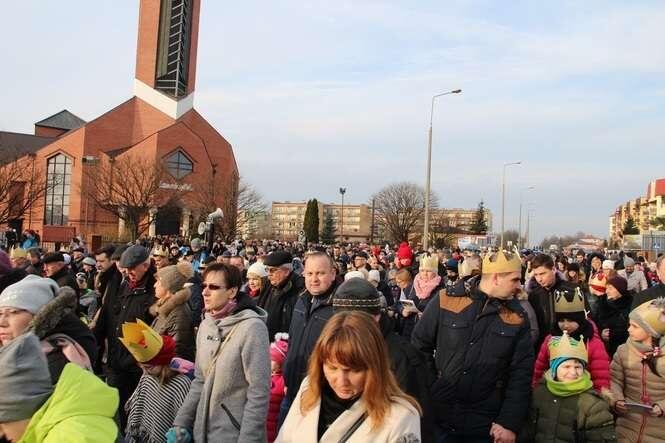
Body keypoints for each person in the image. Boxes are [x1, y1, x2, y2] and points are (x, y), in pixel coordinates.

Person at [412, 249, 534, 442]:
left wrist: (509, 422)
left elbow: (521, 373)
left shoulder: (517, 317)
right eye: (515, 280)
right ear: (496, 278)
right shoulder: (446, 299)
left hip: (485, 424)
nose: (519, 286)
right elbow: (419, 346)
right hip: (439, 417)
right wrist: (433, 386)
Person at [277, 311, 422, 442]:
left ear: (374, 367)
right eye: (332, 368)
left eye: (354, 370)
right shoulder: (309, 388)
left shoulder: (400, 416)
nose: (342, 381)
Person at [170, 263, 270, 443]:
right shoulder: (205, 325)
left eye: (214, 287)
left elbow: (258, 393)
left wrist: (248, 440)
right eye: (204, 286)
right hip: (202, 432)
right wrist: (181, 422)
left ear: (232, 291)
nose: (205, 292)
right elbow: (200, 380)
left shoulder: (252, 328)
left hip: (233, 435)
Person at [332, 277, 435, 442]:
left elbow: (415, 420)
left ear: (376, 317)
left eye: (356, 320)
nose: (346, 326)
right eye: (341, 319)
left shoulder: (401, 357)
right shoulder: (336, 347)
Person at [0, 332, 119, 443]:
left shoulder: (69, 436)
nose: (1, 433)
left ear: (23, 410)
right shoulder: (55, 424)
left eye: (2, 423)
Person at [93, 245, 156, 430]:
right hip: (115, 360)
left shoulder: (154, 289)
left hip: (136, 366)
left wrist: (136, 359)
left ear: (145, 265)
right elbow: (108, 315)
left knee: (133, 415)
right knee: (115, 411)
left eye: (132, 269)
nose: (128, 273)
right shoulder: (120, 284)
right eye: (125, 269)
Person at [0, 275, 97, 383]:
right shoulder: (19, 351)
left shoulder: (51, 366)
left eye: (14, 312)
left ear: (39, 316)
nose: (2, 323)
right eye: (0, 313)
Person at [281, 252, 339, 424]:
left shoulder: (338, 309)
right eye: (310, 273)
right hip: (291, 390)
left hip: (318, 397)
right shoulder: (301, 300)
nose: (314, 279)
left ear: (333, 274)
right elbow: (293, 341)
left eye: (320, 273)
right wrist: (287, 377)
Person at [525, 332, 615, 442]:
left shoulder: (594, 405)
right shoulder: (539, 393)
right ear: (554, 369)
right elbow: (527, 431)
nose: (573, 372)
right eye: (566, 366)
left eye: (577, 367)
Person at [120, 320, 192, 443]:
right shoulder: (148, 378)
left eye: (148, 367)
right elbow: (138, 407)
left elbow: (184, 418)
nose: (145, 372)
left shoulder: (181, 384)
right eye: (141, 367)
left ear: (163, 362)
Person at [604, 298, 665, 443]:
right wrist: (617, 400)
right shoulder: (623, 351)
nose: (629, 329)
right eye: (629, 325)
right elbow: (614, 380)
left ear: (651, 331)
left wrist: (662, 407)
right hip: (627, 426)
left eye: (635, 326)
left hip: (659, 430)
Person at [531, 286, 611, 392]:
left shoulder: (594, 343)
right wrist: (536, 389)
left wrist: (599, 396)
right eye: (561, 321)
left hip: (585, 394)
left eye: (570, 321)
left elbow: (601, 376)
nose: (565, 325)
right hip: (554, 392)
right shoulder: (550, 340)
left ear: (580, 321)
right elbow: (540, 368)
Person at [527, 253, 582, 351]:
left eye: (542, 274)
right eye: (536, 275)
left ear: (553, 269)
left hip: (569, 348)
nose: (539, 279)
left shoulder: (572, 290)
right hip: (542, 349)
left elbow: (586, 320)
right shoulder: (534, 295)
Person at [151, 262, 196, 361]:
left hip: (164, 368)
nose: (154, 285)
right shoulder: (165, 306)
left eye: (158, 282)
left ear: (168, 287)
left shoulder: (179, 314)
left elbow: (177, 353)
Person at [257, 250, 305, 340]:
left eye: (273, 270)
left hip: (284, 341)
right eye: (267, 270)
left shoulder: (299, 289)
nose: (269, 274)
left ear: (286, 271)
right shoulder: (268, 284)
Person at [398, 255, 442, 339]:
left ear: (435, 272)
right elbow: (399, 303)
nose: (425, 274)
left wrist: (428, 316)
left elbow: (443, 313)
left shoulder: (440, 289)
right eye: (422, 270)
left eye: (428, 271)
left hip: (427, 333)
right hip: (409, 330)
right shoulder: (412, 286)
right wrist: (402, 310)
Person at [596, 275, 632, 357]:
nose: (607, 291)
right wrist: (601, 332)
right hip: (603, 350)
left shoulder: (631, 304)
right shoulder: (602, 303)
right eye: (606, 288)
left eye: (610, 288)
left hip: (625, 349)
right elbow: (595, 323)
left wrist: (613, 334)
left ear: (620, 290)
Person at [268, 335, 288, 443]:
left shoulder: (282, 381)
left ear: (280, 363)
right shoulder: (265, 376)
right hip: (262, 424)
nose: (268, 360)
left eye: (272, 359)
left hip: (273, 427)